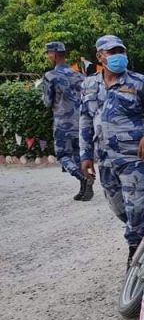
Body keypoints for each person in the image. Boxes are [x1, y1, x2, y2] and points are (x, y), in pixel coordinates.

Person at [79, 35, 144, 267]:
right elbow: (84, 120)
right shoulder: (89, 84)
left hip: (135, 158)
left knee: (136, 207)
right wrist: (85, 155)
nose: (118, 55)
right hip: (105, 159)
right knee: (120, 208)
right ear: (99, 56)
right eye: (112, 52)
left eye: (121, 51)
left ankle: (136, 255)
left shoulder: (140, 82)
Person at [41, 41, 92, 201]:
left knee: (63, 155)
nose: (48, 56)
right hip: (81, 123)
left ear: (54, 55)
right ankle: (84, 188)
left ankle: (82, 178)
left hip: (63, 123)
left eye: (49, 54)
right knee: (79, 156)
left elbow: (47, 102)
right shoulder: (79, 75)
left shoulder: (50, 76)